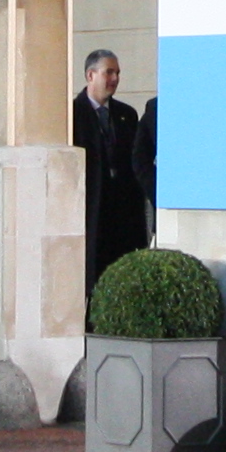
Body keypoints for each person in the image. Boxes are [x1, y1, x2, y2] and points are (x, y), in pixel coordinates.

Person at [73, 51, 151, 288]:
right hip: (91, 212)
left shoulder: (127, 114)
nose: (114, 78)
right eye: (109, 72)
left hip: (124, 215)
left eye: (117, 73)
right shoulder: (71, 114)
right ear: (90, 75)